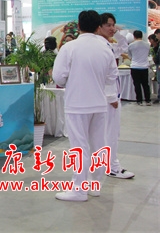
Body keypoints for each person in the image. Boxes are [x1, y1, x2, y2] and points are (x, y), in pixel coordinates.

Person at [52, 10, 118, 201]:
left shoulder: (69, 48)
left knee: (79, 147)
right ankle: (95, 184)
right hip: (99, 103)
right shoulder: (105, 48)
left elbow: (58, 77)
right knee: (98, 145)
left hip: (77, 104)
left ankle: (79, 189)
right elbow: (112, 77)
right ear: (98, 26)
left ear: (79, 26)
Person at [97, 13, 135, 179]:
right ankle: (112, 166)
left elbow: (123, 46)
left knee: (109, 132)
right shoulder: (101, 46)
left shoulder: (107, 45)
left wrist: (117, 33)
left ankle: (108, 164)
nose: (112, 28)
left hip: (110, 95)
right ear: (99, 27)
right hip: (108, 97)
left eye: (113, 25)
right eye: (108, 25)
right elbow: (107, 74)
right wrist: (111, 97)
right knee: (110, 133)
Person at [127, 30, 151, 106]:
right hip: (144, 67)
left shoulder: (131, 45)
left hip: (135, 66)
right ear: (142, 36)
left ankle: (139, 100)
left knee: (137, 84)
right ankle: (148, 100)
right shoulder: (147, 45)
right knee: (145, 84)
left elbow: (130, 56)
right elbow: (147, 54)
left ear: (134, 36)